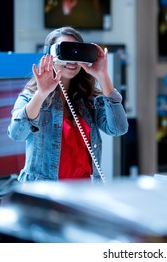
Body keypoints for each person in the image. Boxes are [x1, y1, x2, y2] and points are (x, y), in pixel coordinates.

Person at [7, 26, 129, 183]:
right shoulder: (31, 96)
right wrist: (41, 94)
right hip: (45, 195)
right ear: (49, 55)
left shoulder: (89, 99)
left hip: (82, 195)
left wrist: (103, 76)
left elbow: (118, 129)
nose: (73, 59)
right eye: (66, 51)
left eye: (77, 51)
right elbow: (16, 134)